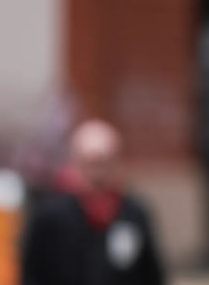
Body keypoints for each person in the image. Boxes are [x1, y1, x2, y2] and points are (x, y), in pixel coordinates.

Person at [20, 119, 166, 285]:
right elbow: (31, 273)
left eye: (104, 163)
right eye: (91, 163)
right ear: (75, 163)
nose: (98, 172)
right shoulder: (50, 216)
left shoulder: (133, 213)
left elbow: (151, 273)